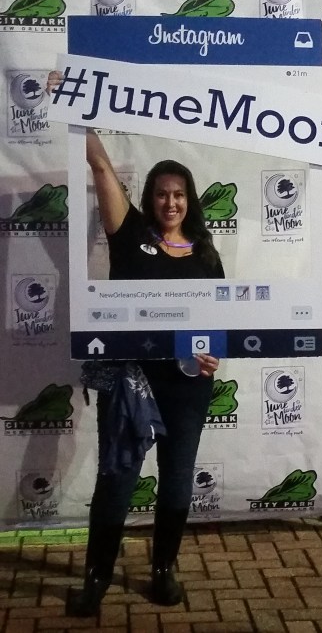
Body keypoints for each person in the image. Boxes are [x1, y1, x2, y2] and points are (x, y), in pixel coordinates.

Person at [46, 72, 225, 617]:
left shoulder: (206, 254)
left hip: (188, 387)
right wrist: (75, 98)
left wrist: (213, 354)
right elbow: (100, 166)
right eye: (162, 193)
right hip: (131, 383)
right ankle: (96, 578)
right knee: (117, 480)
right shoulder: (130, 236)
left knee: (176, 484)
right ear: (149, 198)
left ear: (189, 201)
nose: (171, 202)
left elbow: (219, 320)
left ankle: (164, 569)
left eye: (179, 195)